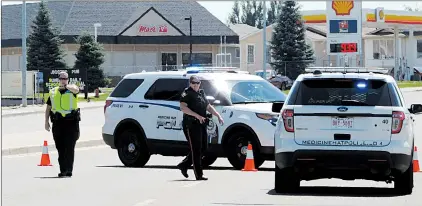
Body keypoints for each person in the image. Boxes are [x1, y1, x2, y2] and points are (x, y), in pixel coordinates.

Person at [177, 75, 224, 180]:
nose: (195, 85)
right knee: (196, 149)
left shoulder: (201, 93)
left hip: (201, 124)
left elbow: (208, 106)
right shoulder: (187, 93)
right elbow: (183, 107)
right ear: (190, 83)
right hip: (191, 124)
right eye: (193, 83)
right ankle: (199, 174)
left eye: (197, 83)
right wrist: (197, 116)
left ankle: (184, 165)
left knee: (204, 148)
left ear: (200, 84)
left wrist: (218, 115)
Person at [44, 71, 81, 178]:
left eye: (65, 78)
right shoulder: (53, 92)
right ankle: (63, 170)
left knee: (69, 147)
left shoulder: (72, 89)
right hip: (58, 122)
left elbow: (76, 89)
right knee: (60, 147)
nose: (63, 80)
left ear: (68, 79)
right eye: (61, 78)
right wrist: (46, 121)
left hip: (71, 123)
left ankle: (68, 170)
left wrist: (66, 86)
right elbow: (48, 108)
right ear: (58, 79)